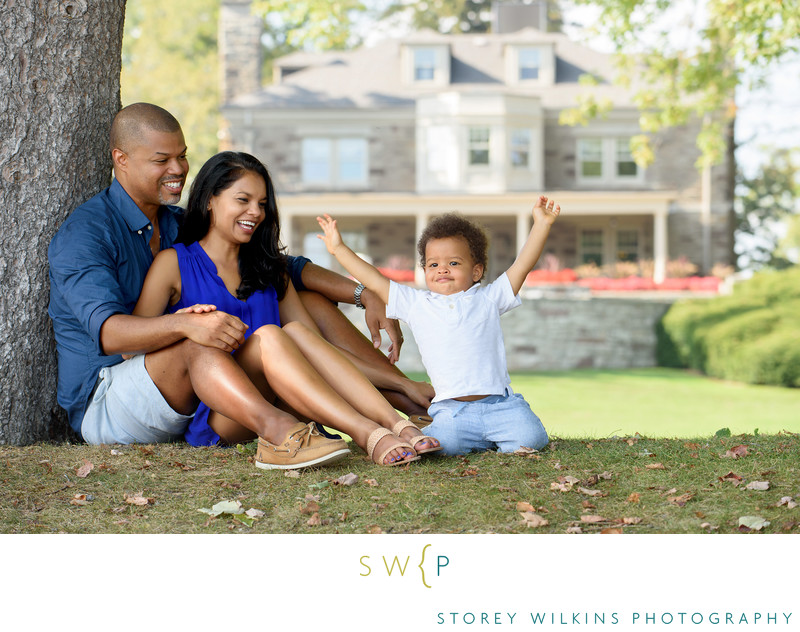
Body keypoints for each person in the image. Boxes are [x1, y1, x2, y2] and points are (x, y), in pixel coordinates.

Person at [47, 103, 429, 468]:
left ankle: (408, 406)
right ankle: (284, 432)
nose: (178, 168)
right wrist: (184, 323)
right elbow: (112, 337)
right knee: (203, 339)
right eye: (161, 160)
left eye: (182, 155)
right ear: (121, 160)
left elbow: (285, 267)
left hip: (201, 384)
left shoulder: (180, 224)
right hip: (112, 393)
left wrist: (366, 294)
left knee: (302, 306)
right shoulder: (88, 234)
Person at [132, 150, 441, 464]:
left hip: (289, 399)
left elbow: (321, 355)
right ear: (210, 200)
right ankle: (367, 433)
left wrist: (401, 383)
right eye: (243, 200)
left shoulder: (269, 268)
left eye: (262, 204)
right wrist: (184, 327)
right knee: (271, 334)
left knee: (295, 332)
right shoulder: (174, 264)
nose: (255, 212)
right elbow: (136, 346)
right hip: (226, 412)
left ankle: (395, 424)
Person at [317, 196, 561, 455]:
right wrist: (339, 249)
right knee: (444, 446)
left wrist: (542, 224)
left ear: (476, 272)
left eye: (453, 263)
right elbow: (375, 281)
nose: (442, 269)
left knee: (531, 438)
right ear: (424, 270)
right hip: (452, 411)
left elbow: (522, 266)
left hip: (500, 405)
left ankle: (490, 437)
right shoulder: (416, 304)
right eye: (433, 264)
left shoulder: (489, 298)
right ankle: (436, 433)